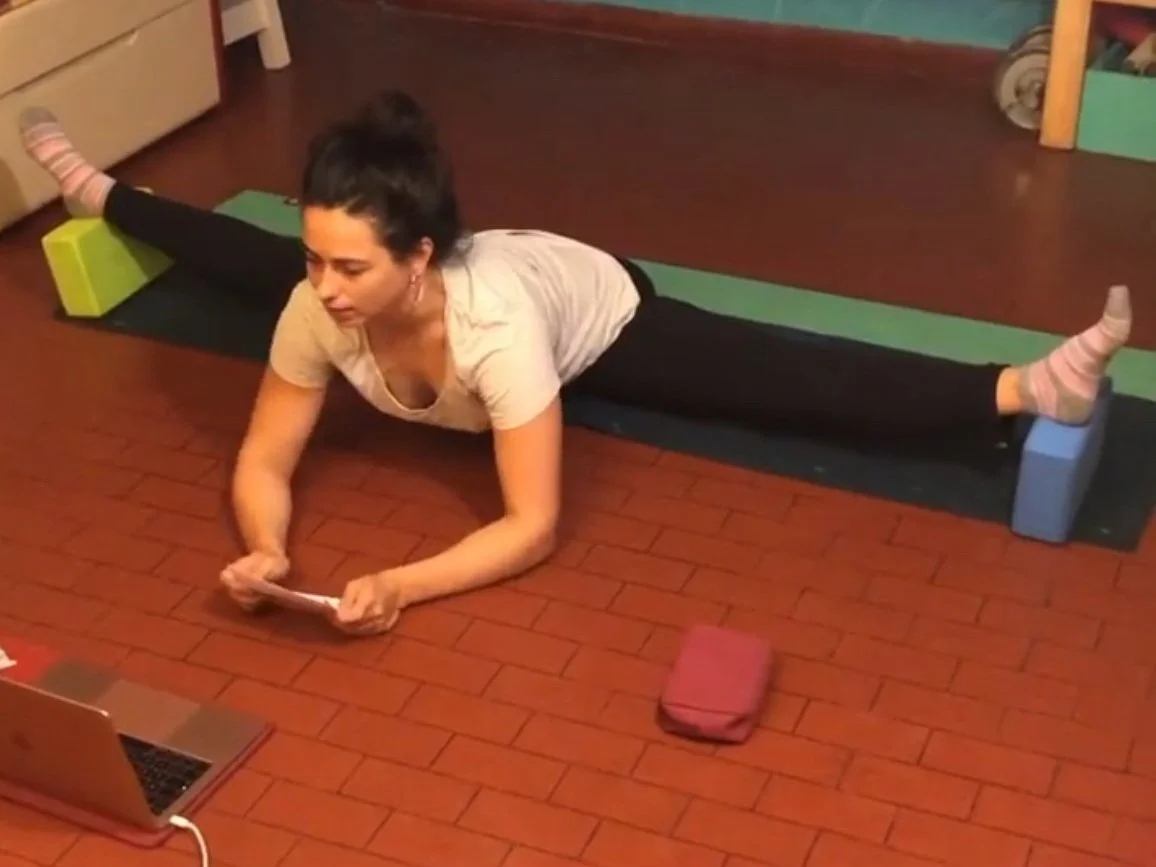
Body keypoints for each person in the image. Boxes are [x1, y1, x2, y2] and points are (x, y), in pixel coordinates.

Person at [18, 92, 1132, 637]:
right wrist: (265, 546)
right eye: (322, 258)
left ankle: (1023, 385)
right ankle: (99, 190)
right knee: (247, 261)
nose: (326, 284)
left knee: (770, 374)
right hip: (489, 299)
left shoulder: (496, 327)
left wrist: (402, 584)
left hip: (592, 306)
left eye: (351, 264)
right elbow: (264, 455)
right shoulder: (327, 303)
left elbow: (530, 525)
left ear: (418, 255)